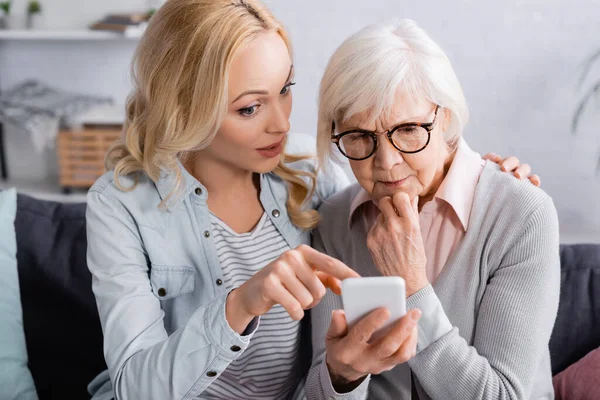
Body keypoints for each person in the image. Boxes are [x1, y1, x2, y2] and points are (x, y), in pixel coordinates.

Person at [85, 1, 542, 398]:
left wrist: (489, 177)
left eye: (285, 90)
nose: (281, 123)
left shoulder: (310, 169)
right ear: (183, 108)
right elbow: (133, 386)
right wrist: (241, 304)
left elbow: (401, 140)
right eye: (250, 107)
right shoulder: (120, 205)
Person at [306, 19, 560, 400]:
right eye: (359, 137)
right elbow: (317, 387)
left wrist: (411, 286)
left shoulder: (521, 214)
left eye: (408, 129)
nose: (387, 162)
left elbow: (504, 395)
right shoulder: (333, 223)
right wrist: (342, 376)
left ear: (444, 116)